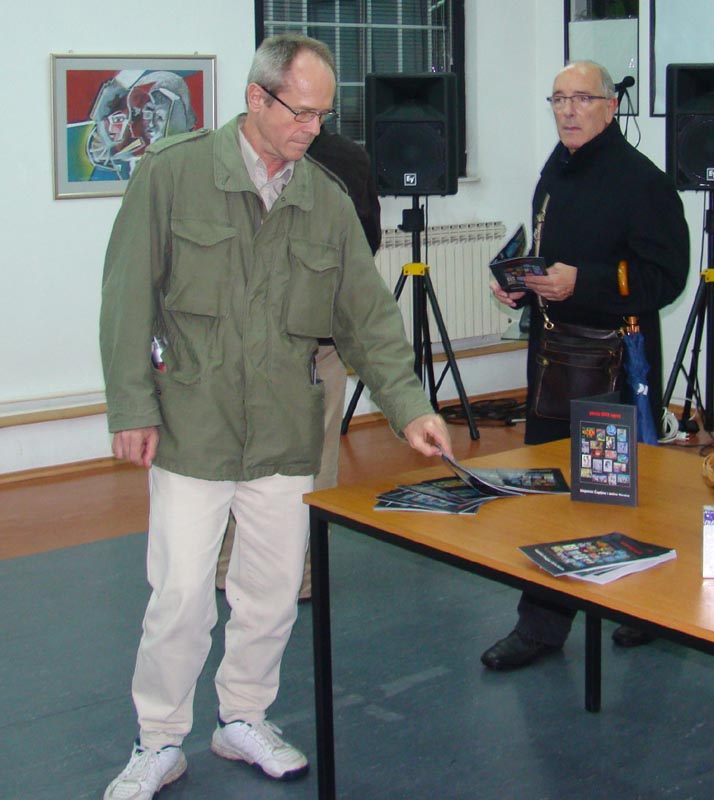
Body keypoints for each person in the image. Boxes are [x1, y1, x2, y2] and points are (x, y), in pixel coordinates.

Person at [100, 33, 452, 799]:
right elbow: (127, 296)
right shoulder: (173, 174)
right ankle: (157, 738)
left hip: (286, 429)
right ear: (257, 98)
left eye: (323, 116)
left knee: (269, 592)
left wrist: (409, 407)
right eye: (301, 112)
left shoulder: (324, 199)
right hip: (193, 427)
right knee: (181, 597)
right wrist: (131, 405)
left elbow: (366, 318)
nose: (313, 130)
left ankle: (244, 717)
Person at [481, 61, 689, 671]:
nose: (568, 111)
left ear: (611, 106)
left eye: (582, 99)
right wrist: (523, 284)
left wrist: (585, 282)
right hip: (552, 358)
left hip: (612, 362)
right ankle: (542, 627)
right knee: (550, 491)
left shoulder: (643, 181)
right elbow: (551, 253)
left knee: (612, 495)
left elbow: (665, 276)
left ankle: (643, 608)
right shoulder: (556, 168)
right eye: (558, 99)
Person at [215, 126, 382, 598]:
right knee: (312, 461)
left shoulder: (238, 152)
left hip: (272, 339)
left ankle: (230, 567)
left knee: (244, 454)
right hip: (302, 338)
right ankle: (302, 574)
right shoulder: (349, 158)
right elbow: (365, 246)